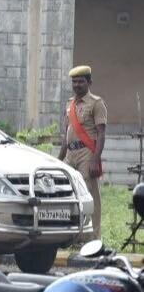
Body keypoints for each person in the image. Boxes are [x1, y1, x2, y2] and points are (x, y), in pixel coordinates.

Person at [58, 65, 107, 237]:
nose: (77, 85)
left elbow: (101, 134)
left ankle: (94, 237)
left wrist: (95, 159)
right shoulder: (69, 105)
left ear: (89, 82)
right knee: (68, 194)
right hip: (70, 154)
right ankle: (73, 234)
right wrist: (58, 161)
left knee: (90, 196)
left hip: (87, 154)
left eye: (81, 81)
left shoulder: (96, 103)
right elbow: (66, 136)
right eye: (74, 82)